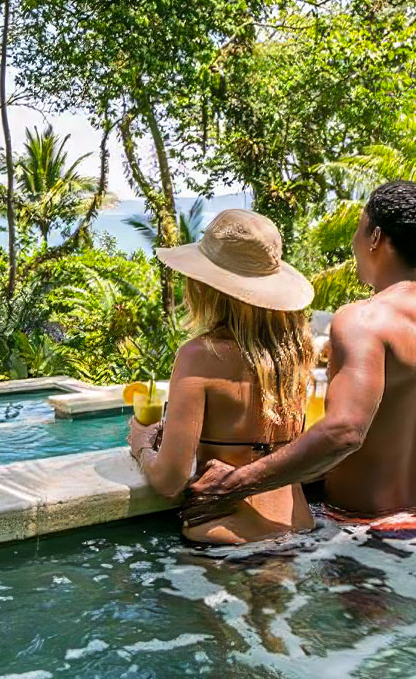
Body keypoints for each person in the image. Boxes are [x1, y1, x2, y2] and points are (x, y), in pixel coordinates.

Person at [183, 181, 416, 530]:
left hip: (365, 531)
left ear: (376, 237)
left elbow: (344, 432)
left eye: (358, 229)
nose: (354, 243)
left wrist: (234, 486)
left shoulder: (363, 319)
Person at [128, 208, 316, 544]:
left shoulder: (200, 356)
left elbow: (170, 481)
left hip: (226, 540)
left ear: (207, 286)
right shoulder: (297, 351)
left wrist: (142, 444)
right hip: (299, 530)